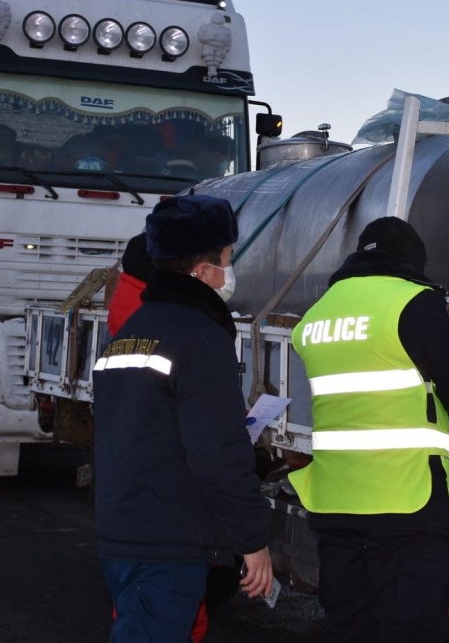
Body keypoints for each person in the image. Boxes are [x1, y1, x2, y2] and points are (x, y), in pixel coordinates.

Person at [289, 216, 449, 643]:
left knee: (350, 628)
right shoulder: (413, 303)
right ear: (411, 262)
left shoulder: (317, 315)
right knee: (410, 629)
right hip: (403, 502)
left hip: (334, 504)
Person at [93, 194, 272, 643]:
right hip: (169, 544)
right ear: (203, 269)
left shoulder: (128, 334)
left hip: (122, 534)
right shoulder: (199, 337)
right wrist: (252, 541)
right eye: (229, 258)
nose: (231, 270)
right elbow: (217, 456)